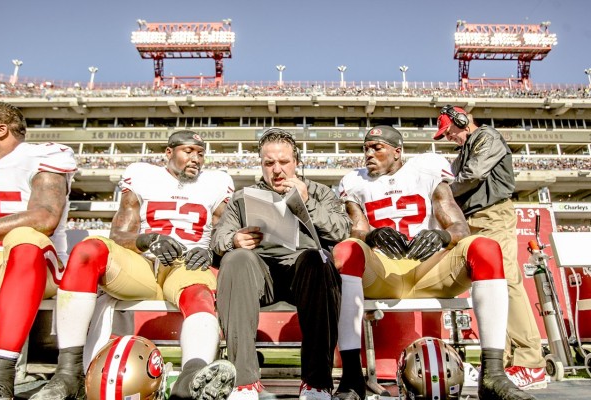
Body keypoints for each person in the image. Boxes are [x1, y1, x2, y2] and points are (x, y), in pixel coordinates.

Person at [332, 125, 537, 400]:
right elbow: (356, 230)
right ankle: (352, 378)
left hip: (428, 269)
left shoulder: (426, 168)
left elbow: (460, 227)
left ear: (397, 151)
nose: (368, 154)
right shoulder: (354, 181)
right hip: (385, 272)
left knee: (486, 247)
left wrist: (442, 236)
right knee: (346, 249)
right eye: (366, 148)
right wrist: (371, 235)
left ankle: (493, 375)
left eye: (376, 148)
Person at [31, 130, 237, 400]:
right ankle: (69, 373)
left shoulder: (216, 182)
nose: (195, 159)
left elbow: (225, 234)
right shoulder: (143, 175)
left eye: (200, 153)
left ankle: (190, 380)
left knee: (198, 293)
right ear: (168, 152)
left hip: (187, 264)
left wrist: (210, 252)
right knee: (87, 251)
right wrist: (147, 240)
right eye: (188, 151)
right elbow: (119, 235)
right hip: (143, 263)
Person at [211, 128, 351, 400]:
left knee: (318, 260)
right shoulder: (242, 197)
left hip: (305, 274)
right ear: (261, 164)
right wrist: (234, 239)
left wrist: (307, 202)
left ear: (296, 162)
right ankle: (244, 382)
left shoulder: (320, 192)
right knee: (236, 258)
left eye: (284, 162)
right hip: (259, 275)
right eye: (269, 163)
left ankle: (316, 382)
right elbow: (218, 237)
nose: (276, 170)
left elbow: (342, 231)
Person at [434, 105, 546, 390]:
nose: (448, 137)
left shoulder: (486, 136)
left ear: (462, 120)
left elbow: (473, 175)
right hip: (471, 221)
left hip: (492, 216)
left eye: (449, 131)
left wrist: (442, 192)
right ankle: (503, 364)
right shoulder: (463, 151)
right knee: (489, 290)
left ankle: (531, 363)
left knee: (505, 283)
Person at [0, 101, 77, 399]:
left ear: (1, 129)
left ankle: (1, 373)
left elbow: (45, 218)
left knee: (26, 239)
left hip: (37, 265)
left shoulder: (41, 156)